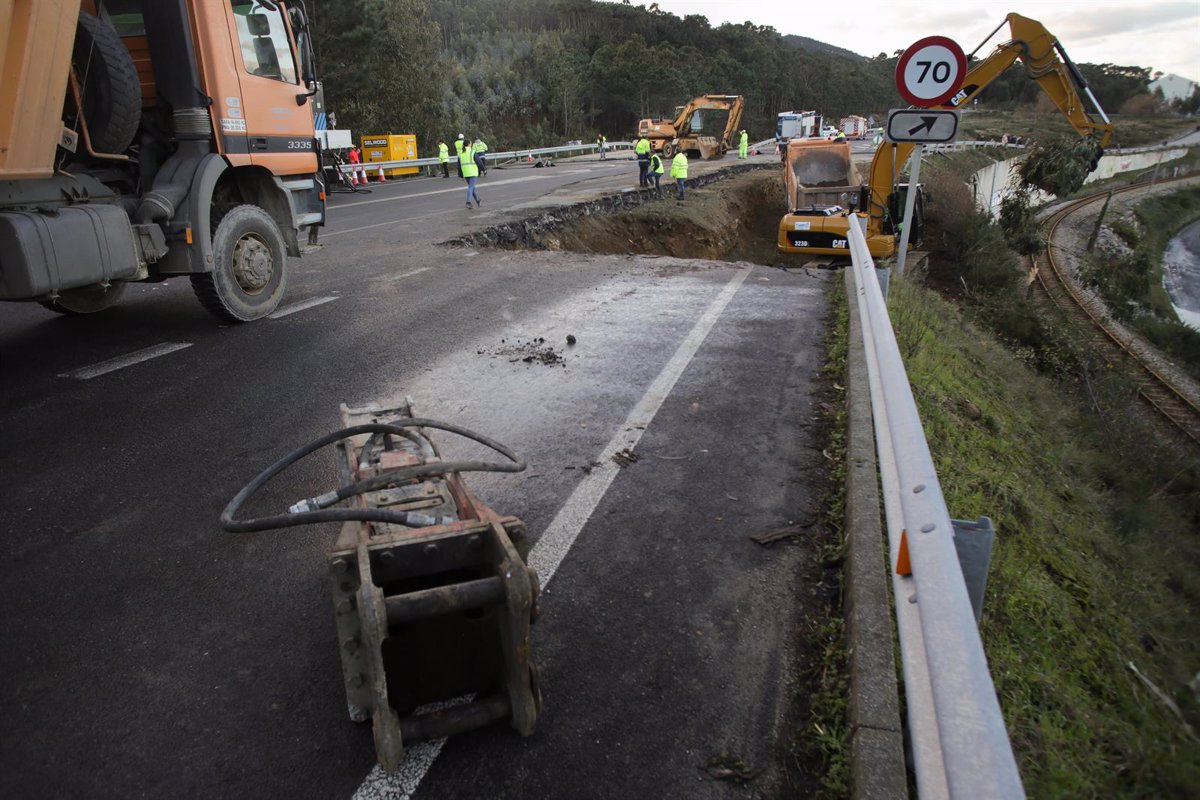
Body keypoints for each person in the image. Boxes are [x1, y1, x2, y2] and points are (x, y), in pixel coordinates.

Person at [460, 140, 481, 208]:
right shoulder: (472, 152)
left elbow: (459, 165)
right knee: (471, 187)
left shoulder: (461, 153)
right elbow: (479, 162)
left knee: (472, 188)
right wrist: (484, 169)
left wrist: (461, 174)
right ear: (469, 144)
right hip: (473, 172)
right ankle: (468, 202)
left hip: (466, 173)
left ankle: (478, 200)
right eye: (471, 143)